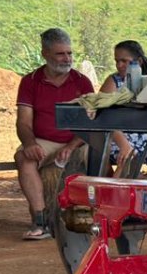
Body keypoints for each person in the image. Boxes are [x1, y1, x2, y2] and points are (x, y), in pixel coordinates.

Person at [15, 28, 94, 240]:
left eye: (69, 53)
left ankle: (97, 218)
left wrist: (71, 146)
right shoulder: (30, 81)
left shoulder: (82, 81)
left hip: (77, 140)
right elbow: (23, 122)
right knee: (24, 157)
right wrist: (30, 144)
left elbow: (90, 122)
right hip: (44, 140)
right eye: (60, 54)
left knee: (98, 156)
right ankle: (41, 221)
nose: (67, 58)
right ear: (45, 54)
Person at [98, 39, 147, 174]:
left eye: (124, 61)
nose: (119, 65)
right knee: (127, 159)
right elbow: (103, 116)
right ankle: (115, 193)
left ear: (138, 62)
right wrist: (123, 144)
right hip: (121, 137)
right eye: (117, 61)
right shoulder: (114, 82)